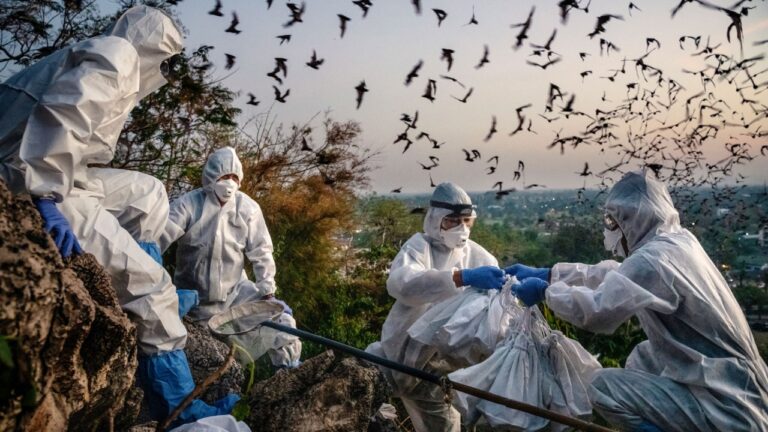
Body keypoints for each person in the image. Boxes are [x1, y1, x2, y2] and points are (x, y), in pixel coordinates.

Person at [0, 6, 238, 425]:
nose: (163, 69)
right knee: (155, 287)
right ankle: (181, 409)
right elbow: (64, 114)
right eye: (164, 58)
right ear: (151, 48)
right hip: (31, 177)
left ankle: (138, 269)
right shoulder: (118, 55)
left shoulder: (108, 55)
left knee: (148, 193)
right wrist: (46, 196)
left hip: (52, 170)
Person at [509, 171, 768, 432]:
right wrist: (552, 273)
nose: (611, 229)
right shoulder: (678, 243)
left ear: (633, 218)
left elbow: (598, 311)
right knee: (643, 356)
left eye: (614, 221)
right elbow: (616, 277)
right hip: (735, 382)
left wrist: (546, 292)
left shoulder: (653, 260)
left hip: (723, 402)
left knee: (602, 387)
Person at [367, 182, 515, 432]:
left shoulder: (482, 258)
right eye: (452, 221)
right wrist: (460, 278)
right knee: (358, 385)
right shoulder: (418, 248)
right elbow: (402, 284)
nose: (461, 228)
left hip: (440, 368)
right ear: (435, 220)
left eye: (467, 221)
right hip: (398, 351)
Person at [160, 146, 301, 368]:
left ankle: (288, 373)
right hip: (194, 302)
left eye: (234, 177)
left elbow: (261, 251)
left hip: (236, 294)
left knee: (281, 320)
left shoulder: (248, 209)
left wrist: (267, 291)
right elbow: (161, 236)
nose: (230, 183)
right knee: (200, 359)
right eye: (225, 176)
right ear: (211, 177)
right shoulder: (188, 205)